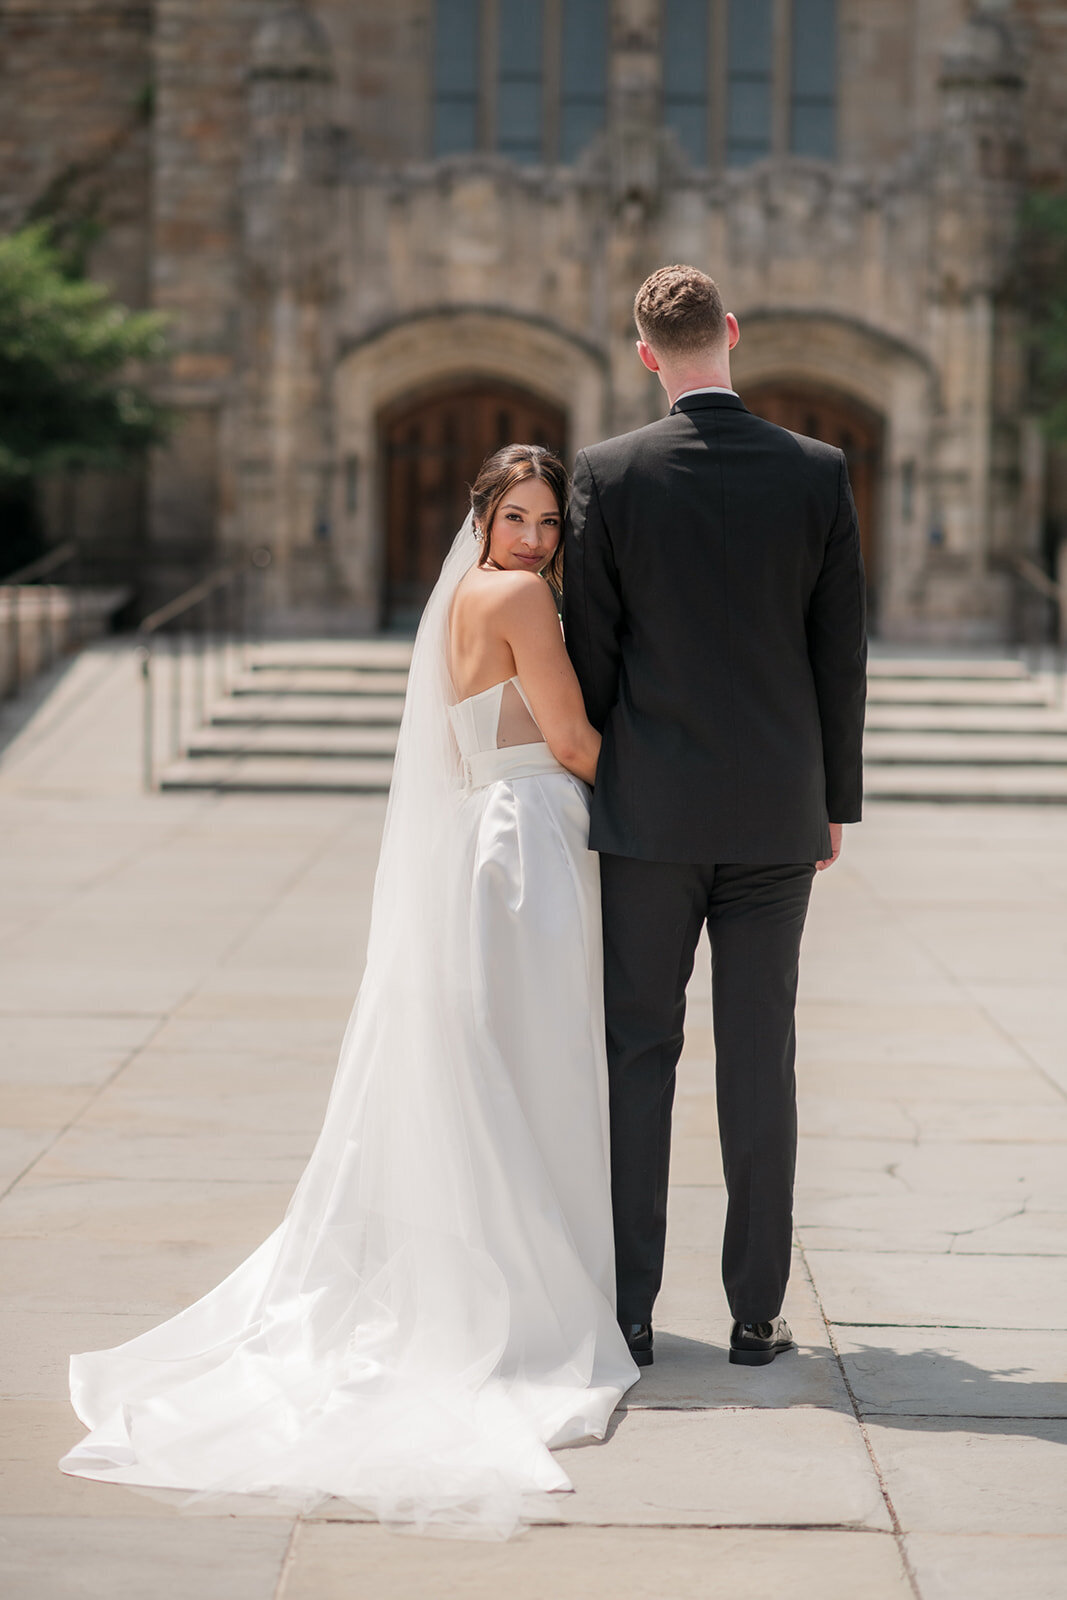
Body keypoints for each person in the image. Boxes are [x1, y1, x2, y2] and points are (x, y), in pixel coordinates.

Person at [59, 444, 638, 1540]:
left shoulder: (466, 596)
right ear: (482, 518)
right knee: (537, 1061)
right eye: (517, 517)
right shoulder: (518, 598)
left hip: (486, 832)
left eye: (549, 523)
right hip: (526, 841)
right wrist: (674, 799)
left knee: (495, 1064)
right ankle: (522, 1298)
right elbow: (564, 739)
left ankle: (497, 1272)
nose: (533, 539)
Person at [564, 264, 867, 1371]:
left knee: (637, 1051)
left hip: (647, 814)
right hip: (776, 815)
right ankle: (754, 1314)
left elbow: (591, 649)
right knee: (758, 1058)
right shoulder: (816, 471)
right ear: (729, 334)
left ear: (647, 352)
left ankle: (629, 1310)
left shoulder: (608, 473)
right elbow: (839, 652)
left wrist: (600, 783)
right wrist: (830, 799)